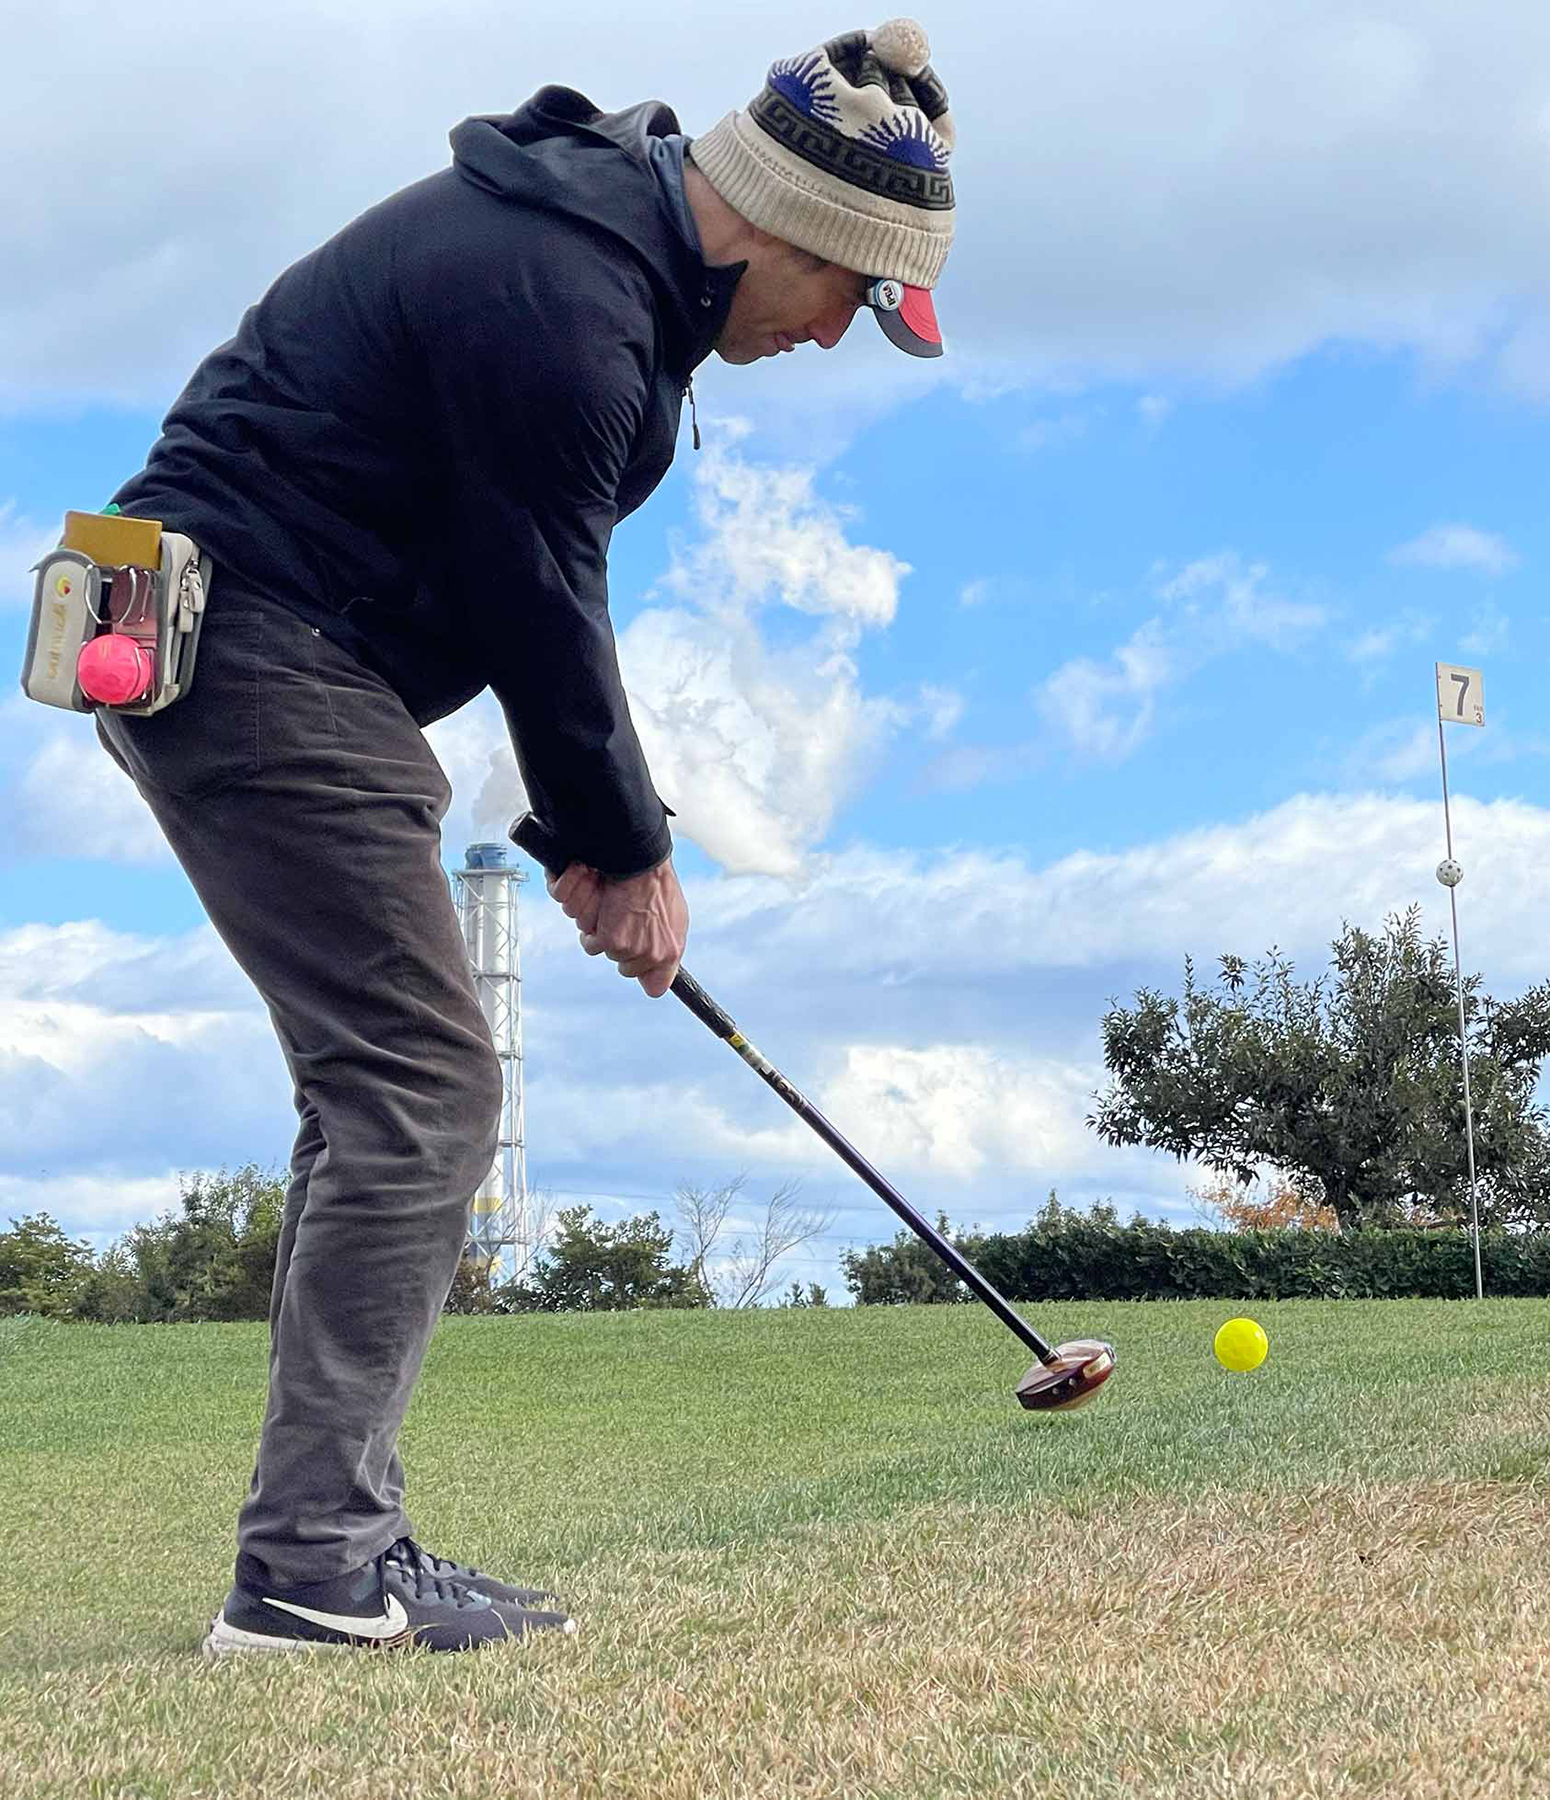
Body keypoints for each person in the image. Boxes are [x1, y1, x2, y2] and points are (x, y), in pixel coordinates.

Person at [94, 18, 956, 1657]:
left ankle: (331, 1544)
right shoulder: (563, 300)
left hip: (263, 639)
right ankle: (308, 1577)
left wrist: (581, 824)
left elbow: (510, 574)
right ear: (795, 233)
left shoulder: (590, 257)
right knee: (424, 1087)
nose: (842, 339)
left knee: (388, 1091)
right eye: (858, 300)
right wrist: (625, 851)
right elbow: (538, 593)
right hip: (255, 645)